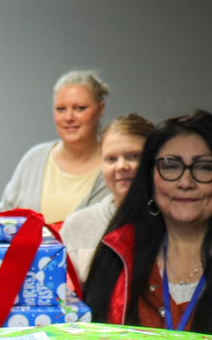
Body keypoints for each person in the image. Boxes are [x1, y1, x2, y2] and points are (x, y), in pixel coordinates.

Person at [78, 110, 212, 333]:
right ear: (150, 178)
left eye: (204, 167)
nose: (186, 182)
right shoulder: (118, 254)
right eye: (171, 166)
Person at [0, 71, 113, 224]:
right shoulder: (34, 159)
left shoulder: (114, 167)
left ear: (100, 109)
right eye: (61, 109)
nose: (69, 118)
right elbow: (3, 216)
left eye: (80, 108)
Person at [60, 113, 155, 277]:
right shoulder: (76, 226)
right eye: (111, 159)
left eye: (133, 156)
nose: (121, 166)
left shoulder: (173, 223)